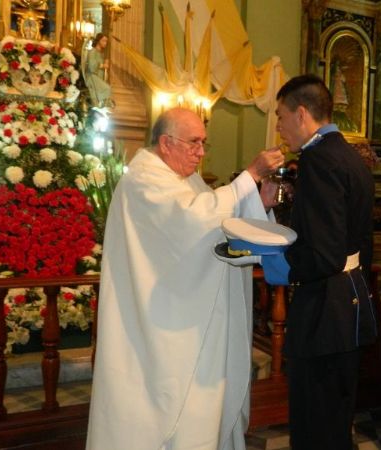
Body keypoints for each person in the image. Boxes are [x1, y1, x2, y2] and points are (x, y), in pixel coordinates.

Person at [86, 107, 284, 449]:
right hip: (157, 326)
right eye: (194, 142)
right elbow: (192, 223)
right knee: (162, 408)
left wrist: (256, 199)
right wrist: (249, 176)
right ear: (166, 143)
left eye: (204, 142)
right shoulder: (144, 179)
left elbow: (212, 222)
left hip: (187, 319)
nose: (201, 152)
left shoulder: (182, 177)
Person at [261, 74, 377, 449]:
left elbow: (323, 255)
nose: (278, 126)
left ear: (302, 113)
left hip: (325, 310)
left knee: (315, 423)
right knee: (336, 418)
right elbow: (359, 241)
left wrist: (279, 261)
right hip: (350, 301)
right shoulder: (349, 156)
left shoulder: (318, 160)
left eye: (280, 116)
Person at [85, 33, 112, 108]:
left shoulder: (100, 54)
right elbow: (91, 66)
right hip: (92, 77)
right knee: (107, 89)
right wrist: (103, 65)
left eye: (106, 41)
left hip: (97, 78)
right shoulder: (92, 51)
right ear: (98, 41)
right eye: (103, 41)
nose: (105, 43)